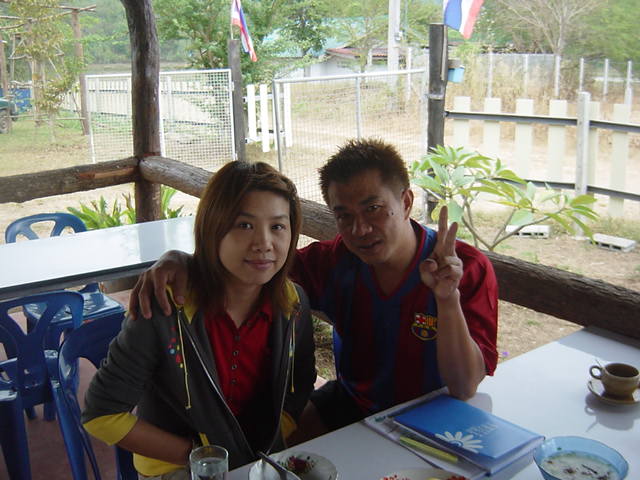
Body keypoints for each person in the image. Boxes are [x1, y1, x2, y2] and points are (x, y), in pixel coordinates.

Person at [130, 138, 498, 442]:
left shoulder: (465, 268)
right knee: (276, 451)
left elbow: (464, 386)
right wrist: (183, 261)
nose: (360, 229)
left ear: (405, 202)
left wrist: (447, 298)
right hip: (351, 404)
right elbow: (250, 266)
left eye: (373, 208)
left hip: (435, 416)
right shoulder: (334, 261)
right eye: (344, 216)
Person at [82, 161, 316, 478]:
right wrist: (201, 456)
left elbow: (299, 385)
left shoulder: (292, 304)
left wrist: (274, 437)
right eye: (244, 225)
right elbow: (101, 414)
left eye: (277, 227)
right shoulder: (166, 307)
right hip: (177, 467)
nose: (264, 243)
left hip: (256, 459)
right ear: (212, 229)